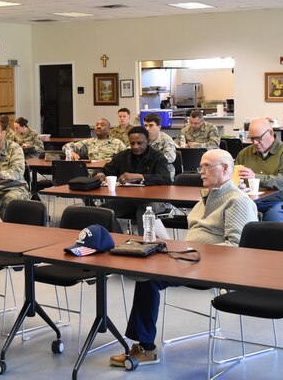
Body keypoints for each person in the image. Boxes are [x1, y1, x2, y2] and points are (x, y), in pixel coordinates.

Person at [109, 149, 258, 368]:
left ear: (226, 169)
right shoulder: (206, 197)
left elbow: (235, 249)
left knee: (150, 278)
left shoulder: (238, 201)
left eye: (207, 166)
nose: (201, 172)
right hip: (190, 259)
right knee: (147, 275)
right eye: (201, 167)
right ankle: (145, 347)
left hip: (214, 266)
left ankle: (145, 347)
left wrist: (192, 254)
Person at [96, 126, 172, 228]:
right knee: (102, 211)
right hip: (128, 199)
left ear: (147, 141)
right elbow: (106, 170)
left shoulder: (157, 157)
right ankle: (117, 237)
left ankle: (145, 242)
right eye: (132, 143)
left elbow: (166, 179)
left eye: (140, 143)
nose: (135, 146)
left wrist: (140, 177)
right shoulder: (122, 156)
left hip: (153, 199)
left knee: (144, 211)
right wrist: (100, 174)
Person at [235, 117, 283, 222]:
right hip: (251, 202)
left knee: (273, 219)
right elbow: (233, 179)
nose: (255, 142)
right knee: (232, 215)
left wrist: (255, 177)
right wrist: (238, 184)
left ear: (270, 133)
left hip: (282, 202)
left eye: (258, 138)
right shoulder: (244, 154)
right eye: (252, 138)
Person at [143, 113, 177, 181]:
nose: (147, 129)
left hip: (164, 172)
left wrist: (149, 159)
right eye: (146, 125)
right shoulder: (143, 138)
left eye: (151, 125)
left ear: (159, 127)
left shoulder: (166, 139)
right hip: (146, 171)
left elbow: (170, 158)